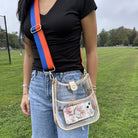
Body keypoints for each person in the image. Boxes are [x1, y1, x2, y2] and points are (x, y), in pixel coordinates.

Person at [17, 0, 98, 137]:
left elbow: (91, 52)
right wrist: (26, 91)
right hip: (38, 88)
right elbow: (29, 54)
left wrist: (91, 91)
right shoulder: (27, 4)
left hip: (71, 88)